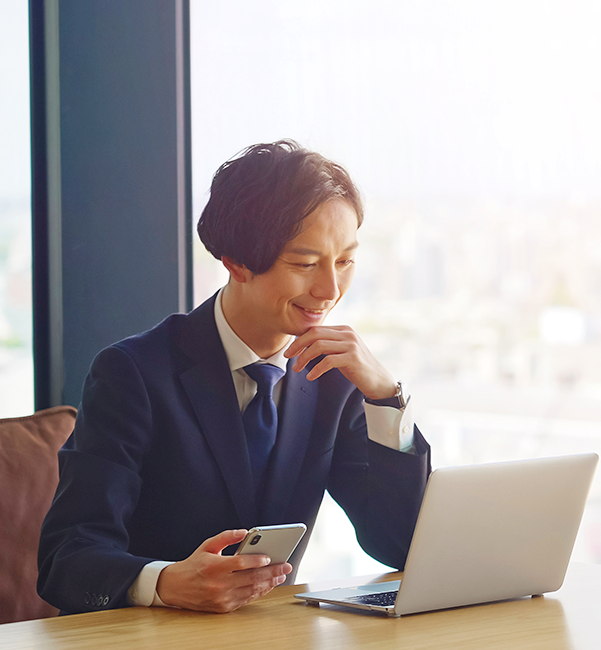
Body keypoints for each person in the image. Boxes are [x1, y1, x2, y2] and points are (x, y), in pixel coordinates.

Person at [38, 140, 431, 615]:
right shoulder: (133, 374)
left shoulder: (334, 377)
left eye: (344, 261)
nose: (330, 290)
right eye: (305, 264)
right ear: (237, 262)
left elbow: (401, 546)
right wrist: (163, 583)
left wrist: (387, 399)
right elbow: (66, 558)